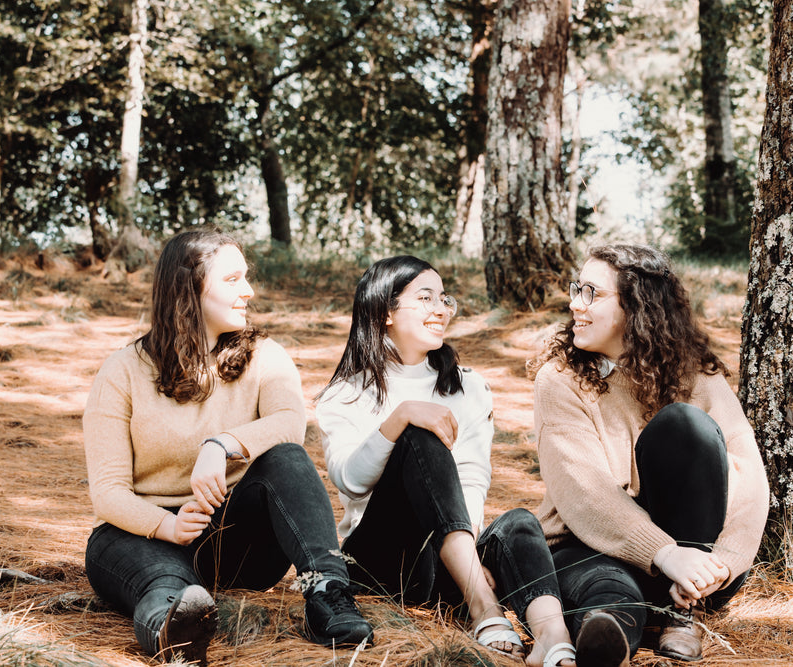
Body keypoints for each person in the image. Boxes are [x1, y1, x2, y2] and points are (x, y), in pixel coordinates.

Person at [82, 228, 372, 667]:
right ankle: (175, 636)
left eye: (246, 278)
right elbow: (107, 491)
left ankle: (328, 593)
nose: (249, 291)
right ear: (189, 288)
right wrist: (168, 526)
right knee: (166, 585)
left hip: (235, 538)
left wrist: (222, 445)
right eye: (233, 280)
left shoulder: (265, 356)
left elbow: (290, 425)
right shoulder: (122, 371)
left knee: (286, 459)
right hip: (139, 535)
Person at [316, 255, 576, 667]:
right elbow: (351, 481)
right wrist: (400, 417)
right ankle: (486, 611)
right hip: (383, 564)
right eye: (425, 298)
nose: (441, 309)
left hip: (450, 567)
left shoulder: (469, 386)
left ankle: (552, 637)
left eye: (444, 298)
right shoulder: (345, 393)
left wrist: (466, 557)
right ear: (386, 310)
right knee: (420, 436)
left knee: (520, 524)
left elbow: (472, 477)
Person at [530, 244, 769, 666]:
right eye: (576, 289)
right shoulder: (560, 379)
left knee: (684, 424)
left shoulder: (694, 374)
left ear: (636, 307)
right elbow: (583, 488)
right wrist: (665, 554)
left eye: (591, 293)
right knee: (610, 589)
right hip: (592, 547)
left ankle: (680, 614)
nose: (574, 303)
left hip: (696, 564)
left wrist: (721, 564)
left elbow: (749, 472)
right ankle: (609, 641)